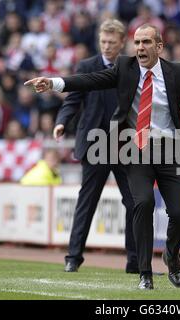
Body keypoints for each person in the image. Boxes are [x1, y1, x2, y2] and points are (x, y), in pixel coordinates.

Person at [25, 24, 180, 290]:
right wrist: (55, 83)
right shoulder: (125, 67)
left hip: (172, 150)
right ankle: (144, 273)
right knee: (143, 203)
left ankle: (171, 255)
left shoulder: (179, 73)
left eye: (146, 42)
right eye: (137, 42)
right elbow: (91, 81)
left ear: (159, 47)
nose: (140, 48)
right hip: (136, 149)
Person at [52, 19, 138, 274]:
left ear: (122, 43)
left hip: (123, 144)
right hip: (94, 144)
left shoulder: (131, 67)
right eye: (103, 41)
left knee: (135, 203)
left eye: (112, 42)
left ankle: (135, 262)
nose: (107, 46)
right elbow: (73, 99)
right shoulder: (87, 66)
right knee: (87, 202)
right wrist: (61, 122)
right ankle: (73, 257)